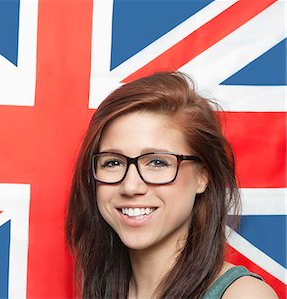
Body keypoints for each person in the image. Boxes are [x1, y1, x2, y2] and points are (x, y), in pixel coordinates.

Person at [65, 72, 278, 298]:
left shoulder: (242, 295)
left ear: (202, 176)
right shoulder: (103, 289)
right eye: (113, 162)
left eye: (157, 162)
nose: (130, 186)